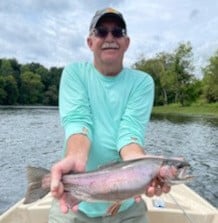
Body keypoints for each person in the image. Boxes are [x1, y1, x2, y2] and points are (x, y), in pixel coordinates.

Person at [48, 7, 171, 223]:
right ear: (90, 42)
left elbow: (129, 132)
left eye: (117, 32)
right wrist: (76, 158)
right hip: (74, 201)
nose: (110, 38)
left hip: (127, 205)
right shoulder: (74, 73)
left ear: (126, 42)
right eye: (101, 31)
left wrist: (140, 165)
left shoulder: (142, 82)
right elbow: (78, 122)